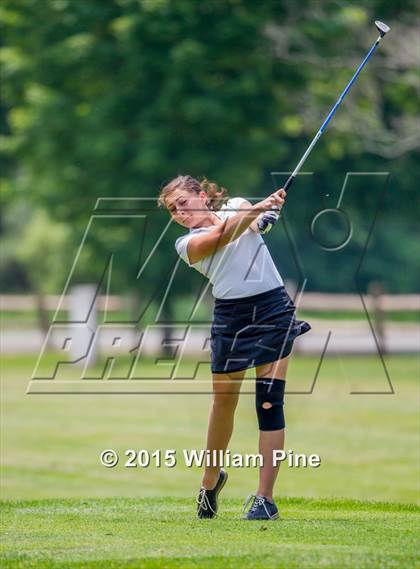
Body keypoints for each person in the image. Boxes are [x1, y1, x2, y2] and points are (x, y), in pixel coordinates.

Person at [157, 175, 311, 520]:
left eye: (183, 202)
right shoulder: (187, 244)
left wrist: (263, 214)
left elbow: (252, 223)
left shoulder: (238, 205)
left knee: (270, 400)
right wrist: (260, 209)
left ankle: (264, 499)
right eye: (172, 210)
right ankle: (210, 482)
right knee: (223, 404)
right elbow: (224, 235)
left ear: (201, 195)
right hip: (231, 316)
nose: (180, 213)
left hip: (272, 308)